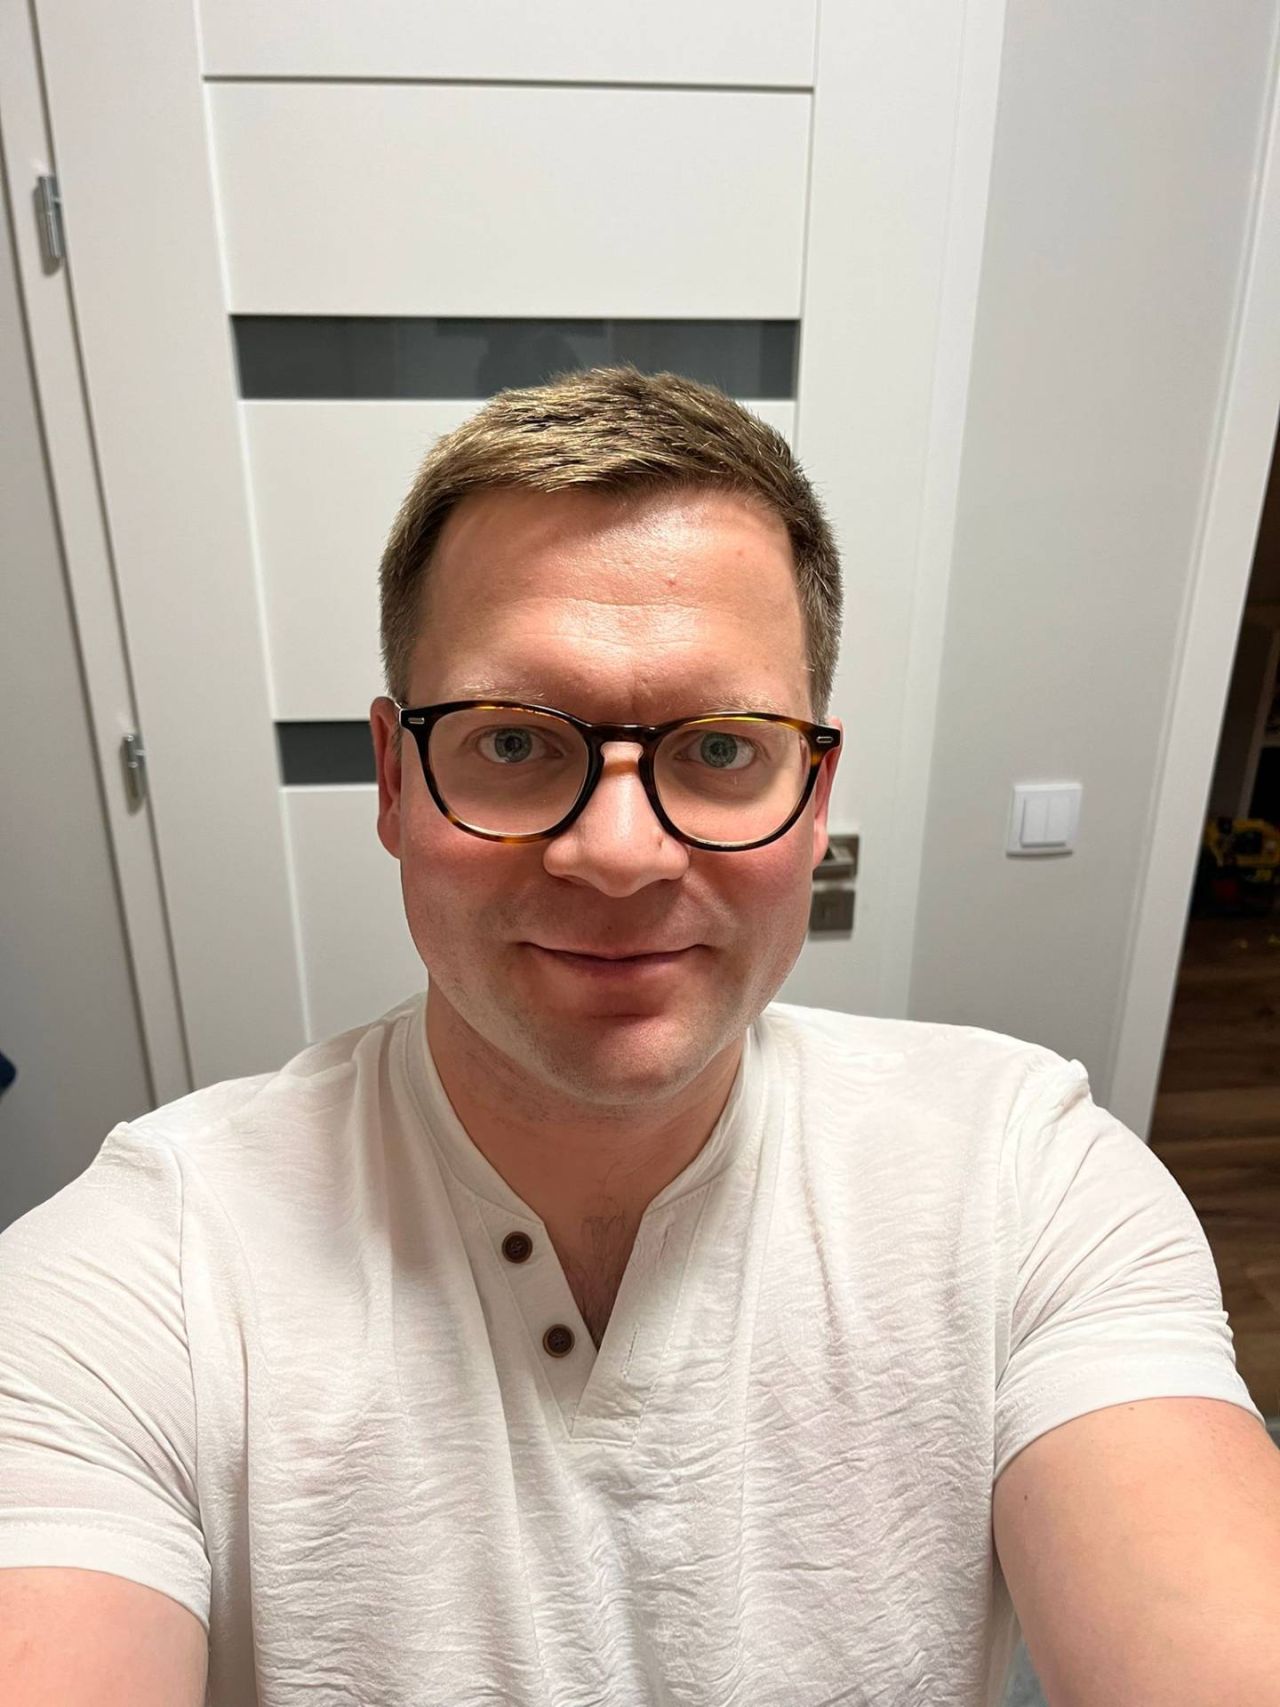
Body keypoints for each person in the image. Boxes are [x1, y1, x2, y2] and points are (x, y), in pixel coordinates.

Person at [1, 367, 1277, 1707]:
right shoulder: (143, 1277)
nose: (618, 854)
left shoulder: (1024, 1181)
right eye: (511, 743)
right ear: (393, 781)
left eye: (721, 750)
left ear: (813, 798)